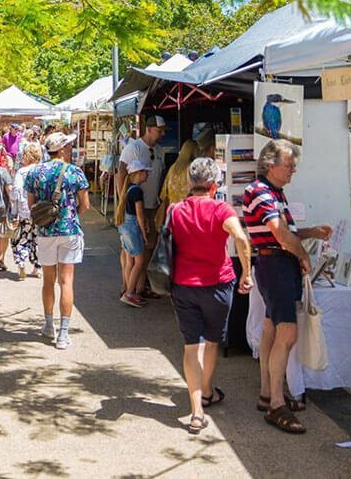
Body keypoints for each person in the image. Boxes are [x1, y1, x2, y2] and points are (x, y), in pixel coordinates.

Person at [243, 140, 330, 435]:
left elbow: (285, 233)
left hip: (278, 265)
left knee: (271, 329)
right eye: (289, 164)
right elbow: (280, 234)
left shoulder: (273, 192)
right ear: (271, 164)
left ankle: (268, 393)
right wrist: (303, 253)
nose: (293, 169)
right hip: (276, 266)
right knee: (287, 333)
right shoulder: (260, 191)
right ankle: (276, 404)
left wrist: (310, 232)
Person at [169, 158, 253, 435]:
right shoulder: (221, 209)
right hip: (218, 285)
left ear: (191, 183)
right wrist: (247, 273)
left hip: (184, 284)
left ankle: (197, 411)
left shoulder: (176, 210)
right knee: (213, 342)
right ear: (215, 185)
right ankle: (206, 391)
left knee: (191, 347)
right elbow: (240, 238)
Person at [25, 132, 90, 349]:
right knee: (66, 281)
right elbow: (85, 205)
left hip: (45, 231)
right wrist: (70, 215)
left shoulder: (35, 172)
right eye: (68, 145)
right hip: (69, 230)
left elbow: (31, 205)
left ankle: (48, 324)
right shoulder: (74, 172)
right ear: (61, 149)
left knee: (48, 280)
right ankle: (63, 333)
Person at [116, 115, 167, 297]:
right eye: (159, 131)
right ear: (149, 129)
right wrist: (123, 201)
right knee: (132, 250)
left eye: (163, 131)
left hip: (153, 204)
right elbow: (121, 172)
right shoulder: (134, 147)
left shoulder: (160, 150)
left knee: (148, 246)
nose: (162, 134)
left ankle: (139, 286)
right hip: (135, 207)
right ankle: (128, 286)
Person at [115, 159, 152, 308]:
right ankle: (130, 292)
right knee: (140, 261)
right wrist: (144, 233)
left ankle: (128, 290)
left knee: (130, 260)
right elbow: (140, 214)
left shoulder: (129, 188)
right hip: (132, 228)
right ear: (138, 173)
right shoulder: (137, 191)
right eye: (145, 172)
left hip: (125, 226)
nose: (147, 175)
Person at [10, 142, 42, 279]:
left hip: (24, 210)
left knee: (20, 237)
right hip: (40, 211)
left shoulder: (21, 172)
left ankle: (21, 261)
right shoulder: (42, 170)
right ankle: (37, 267)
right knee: (38, 238)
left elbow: (16, 192)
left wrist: (14, 212)